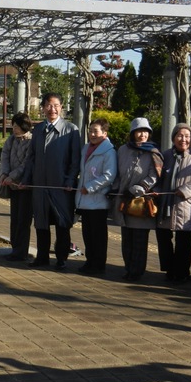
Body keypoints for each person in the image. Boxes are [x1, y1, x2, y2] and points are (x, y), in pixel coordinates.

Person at [21, 93, 80, 271]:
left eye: (55, 105)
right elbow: (31, 158)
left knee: (62, 223)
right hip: (39, 185)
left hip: (61, 186)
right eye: (48, 105)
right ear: (43, 107)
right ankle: (42, 257)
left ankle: (61, 258)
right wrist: (26, 180)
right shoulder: (38, 129)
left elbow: (75, 160)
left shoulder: (71, 129)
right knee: (41, 222)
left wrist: (70, 180)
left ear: (62, 107)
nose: (52, 109)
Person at [156, 123, 191, 283]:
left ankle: (181, 272)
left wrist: (185, 190)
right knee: (163, 238)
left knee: (184, 242)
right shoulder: (165, 155)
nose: (183, 139)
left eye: (187, 136)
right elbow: (158, 177)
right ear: (173, 138)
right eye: (180, 135)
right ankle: (169, 269)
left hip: (187, 206)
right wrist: (158, 191)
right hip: (166, 204)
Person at [113, 117, 163, 281]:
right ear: (132, 133)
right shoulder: (122, 150)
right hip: (124, 200)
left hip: (142, 202)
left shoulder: (154, 152)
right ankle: (128, 268)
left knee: (140, 240)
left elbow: (155, 174)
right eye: (139, 131)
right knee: (126, 238)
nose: (142, 135)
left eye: (145, 132)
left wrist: (142, 187)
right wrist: (117, 188)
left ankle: (137, 272)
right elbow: (118, 173)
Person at [75, 118, 117, 275]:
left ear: (104, 133)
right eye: (90, 130)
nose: (92, 134)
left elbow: (109, 175)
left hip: (98, 200)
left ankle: (99, 264)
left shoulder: (109, 152)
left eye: (96, 131)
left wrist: (90, 187)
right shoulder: (86, 148)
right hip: (85, 200)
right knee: (87, 234)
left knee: (98, 236)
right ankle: (89, 261)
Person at [0, 112, 33, 261]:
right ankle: (14, 249)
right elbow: (4, 156)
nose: (14, 129)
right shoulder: (11, 140)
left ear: (24, 127)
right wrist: (3, 174)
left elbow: (26, 164)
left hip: (25, 187)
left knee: (23, 220)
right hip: (12, 186)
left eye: (17, 127)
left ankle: (21, 252)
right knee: (14, 218)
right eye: (13, 126)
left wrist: (11, 176)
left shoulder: (32, 141)